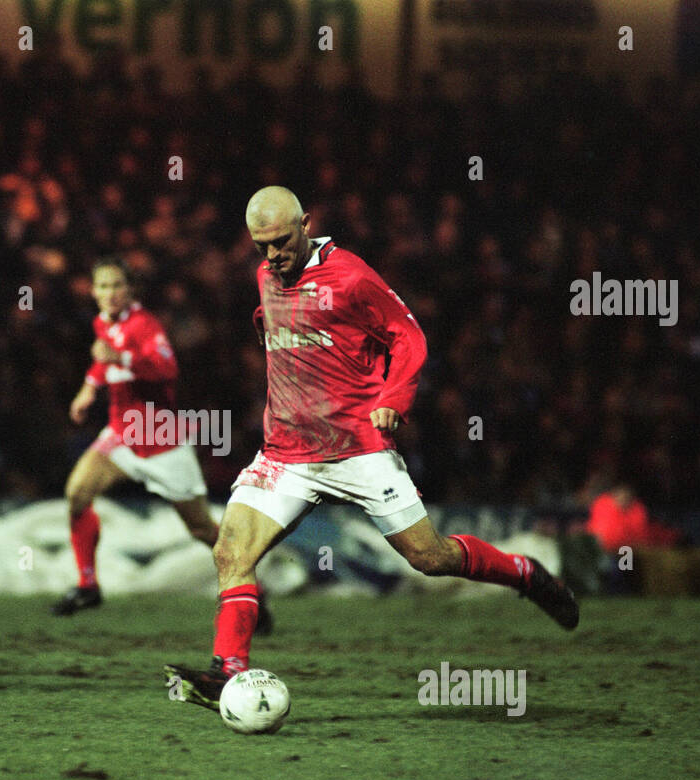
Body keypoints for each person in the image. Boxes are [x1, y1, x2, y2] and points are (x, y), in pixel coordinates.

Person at [165, 187, 577, 710]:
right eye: (261, 246)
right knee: (231, 551)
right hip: (286, 454)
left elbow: (408, 337)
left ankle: (525, 575)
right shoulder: (265, 276)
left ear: (306, 224)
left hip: (357, 448)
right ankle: (229, 672)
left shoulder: (352, 277)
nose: (272, 256)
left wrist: (393, 399)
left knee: (429, 557)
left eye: (280, 242)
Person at [52, 257, 271, 632]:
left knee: (202, 529)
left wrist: (119, 357)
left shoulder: (144, 325)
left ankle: (254, 589)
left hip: (160, 440)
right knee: (77, 494)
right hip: (122, 434)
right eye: (102, 287)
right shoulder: (104, 322)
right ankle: (88, 584)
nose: (109, 293)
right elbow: (101, 363)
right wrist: (87, 390)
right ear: (93, 291)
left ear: (130, 289)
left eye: (116, 286)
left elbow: (166, 368)